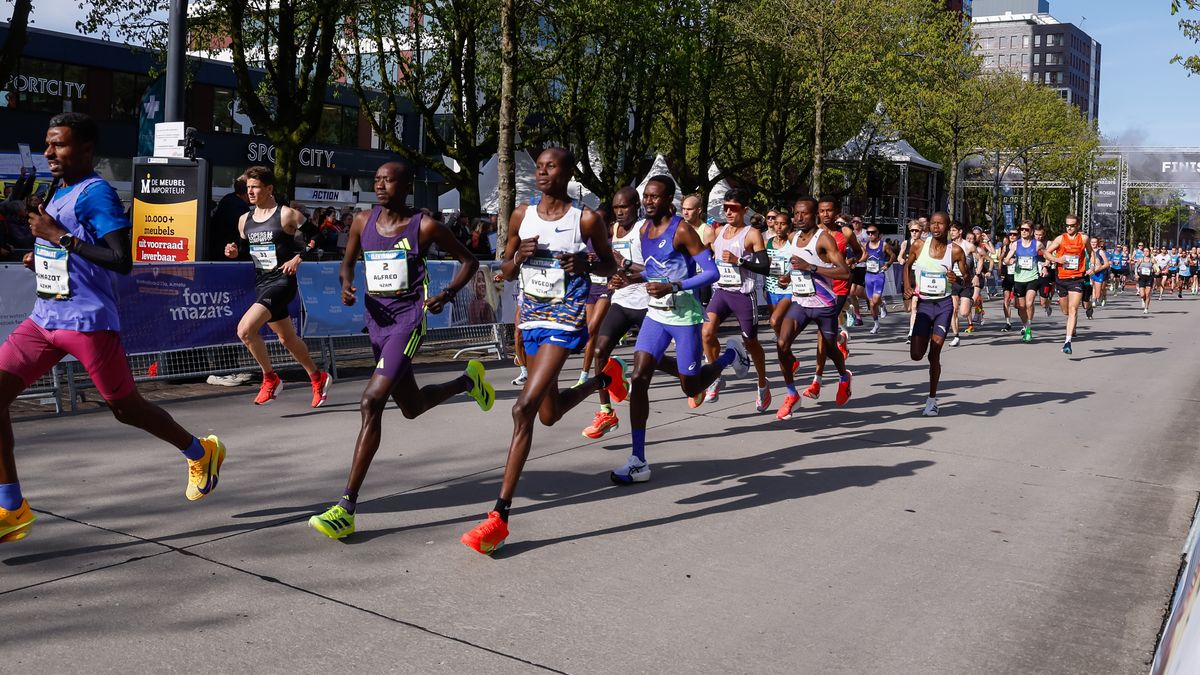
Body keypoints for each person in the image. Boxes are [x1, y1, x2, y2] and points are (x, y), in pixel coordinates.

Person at [0, 113, 227, 543]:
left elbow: (121, 260)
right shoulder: (58, 188)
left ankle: (202, 451)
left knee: (127, 409)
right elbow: (65, 248)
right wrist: (45, 253)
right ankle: (11, 506)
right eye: (47, 145)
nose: (49, 152)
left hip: (87, 323)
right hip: (44, 318)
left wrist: (59, 237)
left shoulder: (95, 193)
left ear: (86, 150)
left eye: (59, 145)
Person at [309, 162, 495, 539]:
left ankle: (346, 507)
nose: (379, 184)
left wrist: (446, 294)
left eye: (387, 179)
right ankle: (467, 381)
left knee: (371, 401)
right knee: (411, 408)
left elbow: (469, 261)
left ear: (406, 186)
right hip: (376, 322)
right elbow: (347, 266)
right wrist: (347, 286)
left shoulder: (424, 226)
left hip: (408, 321)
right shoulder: (362, 221)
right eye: (375, 178)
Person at [460, 147, 626, 554]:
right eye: (539, 167)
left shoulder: (584, 219)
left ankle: (499, 516)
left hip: (564, 318)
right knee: (548, 414)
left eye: (551, 167)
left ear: (568, 172)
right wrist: (518, 255)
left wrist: (585, 265)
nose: (542, 172)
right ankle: (604, 379)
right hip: (532, 314)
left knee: (523, 408)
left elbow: (610, 266)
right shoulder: (522, 213)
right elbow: (506, 266)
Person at [613, 175, 749, 482]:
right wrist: (627, 273)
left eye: (654, 197)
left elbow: (711, 272)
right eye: (645, 196)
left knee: (691, 386)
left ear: (668, 200)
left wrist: (673, 285)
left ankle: (729, 356)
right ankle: (638, 459)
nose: (647, 201)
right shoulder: (645, 229)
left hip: (684, 317)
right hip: (656, 315)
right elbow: (652, 269)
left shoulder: (683, 230)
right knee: (638, 377)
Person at [223, 166, 332, 405]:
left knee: (245, 330)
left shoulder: (286, 215)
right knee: (287, 339)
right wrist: (233, 252)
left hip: (283, 281)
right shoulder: (245, 220)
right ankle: (318, 377)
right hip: (262, 283)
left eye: (255, 187)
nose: (250, 192)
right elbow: (244, 250)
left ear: (269, 188)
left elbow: (318, 236)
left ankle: (270, 379)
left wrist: (299, 257)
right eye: (248, 187)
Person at [774, 196, 853, 421]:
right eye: (796, 214)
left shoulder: (824, 239)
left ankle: (843, 377)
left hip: (824, 304)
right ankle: (791, 395)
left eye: (804, 214)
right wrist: (788, 278)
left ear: (814, 215)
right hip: (801, 302)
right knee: (781, 343)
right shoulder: (793, 236)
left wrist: (812, 267)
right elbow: (797, 266)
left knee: (830, 349)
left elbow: (845, 272)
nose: (799, 218)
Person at [582, 187, 647, 439]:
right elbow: (611, 267)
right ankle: (606, 412)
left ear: (636, 206)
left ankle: (693, 379)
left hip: (647, 304)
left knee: (652, 360)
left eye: (625, 207)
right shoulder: (614, 231)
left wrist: (627, 271)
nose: (620, 212)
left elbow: (654, 269)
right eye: (617, 207)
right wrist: (600, 268)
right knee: (599, 350)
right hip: (621, 302)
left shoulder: (644, 230)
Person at [702, 187, 772, 411]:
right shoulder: (719, 230)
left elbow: (765, 267)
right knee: (706, 332)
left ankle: (762, 384)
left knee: (751, 342)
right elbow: (707, 254)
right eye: (726, 208)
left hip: (742, 294)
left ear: (744, 210)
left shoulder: (751, 234)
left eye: (733, 209)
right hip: (721, 291)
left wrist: (738, 261)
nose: (729, 213)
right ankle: (714, 376)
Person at [903, 212, 967, 417]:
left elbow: (966, 278)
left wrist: (955, 278)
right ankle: (931, 396)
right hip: (923, 305)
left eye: (940, 224)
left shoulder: (955, 251)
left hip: (944, 305)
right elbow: (907, 265)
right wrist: (907, 286)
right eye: (933, 224)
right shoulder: (919, 245)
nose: (936, 227)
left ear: (948, 227)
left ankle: (932, 400)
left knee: (934, 353)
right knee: (916, 355)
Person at [1043, 215, 1090, 355]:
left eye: (1072, 225)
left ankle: (1067, 342)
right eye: (1067, 225)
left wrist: (1092, 265)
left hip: (1077, 279)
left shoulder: (1083, 238)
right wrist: (1057, 259)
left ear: (1078, 225)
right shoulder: (1060, 239)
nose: (1069, 228)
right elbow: (1046, 253)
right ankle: (1072, 323)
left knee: (1073, 308)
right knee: (1066, 311)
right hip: (1062, 279)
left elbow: (1091, 253)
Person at [1004, 220, 1043, 343]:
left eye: (1026, 229)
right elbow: (1006, 259)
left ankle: (1029, 328)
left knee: (1029, 303)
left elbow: (1046, 255)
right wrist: (1008, 261)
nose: (1024, 231)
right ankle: (1026, 325)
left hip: (1033, 277)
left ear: (1031, 231)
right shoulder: (1015, 244)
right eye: (1022, 229)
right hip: (1019, 278)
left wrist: (1047, 265)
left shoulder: (1037, 244)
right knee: (1021, 306)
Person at [861, 224, 894, 334]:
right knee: (871, 303)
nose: (870, 234)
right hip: (868, 275)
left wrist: (888, 264)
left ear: (877, 233)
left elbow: (893, 255)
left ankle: (881, 304)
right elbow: (862, 256)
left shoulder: (883, 245)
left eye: (873, 232)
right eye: (868, 233)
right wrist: (856, 262)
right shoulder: (865, 245)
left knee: (875, 300)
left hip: (879, 275)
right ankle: (876, 324)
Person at [998, 228, 1019, 332]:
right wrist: (1000, 271)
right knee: (1006, 299)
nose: (1012, 236)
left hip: (1019, 276)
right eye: (1010, 234)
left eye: (1014, 235)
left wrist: (1015, 260)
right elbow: (1000, 258)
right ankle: (1007, 322)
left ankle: (1025, 322)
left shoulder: (1020, 246)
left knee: (1017, 303)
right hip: (1008, 276)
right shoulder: (1005, 247)